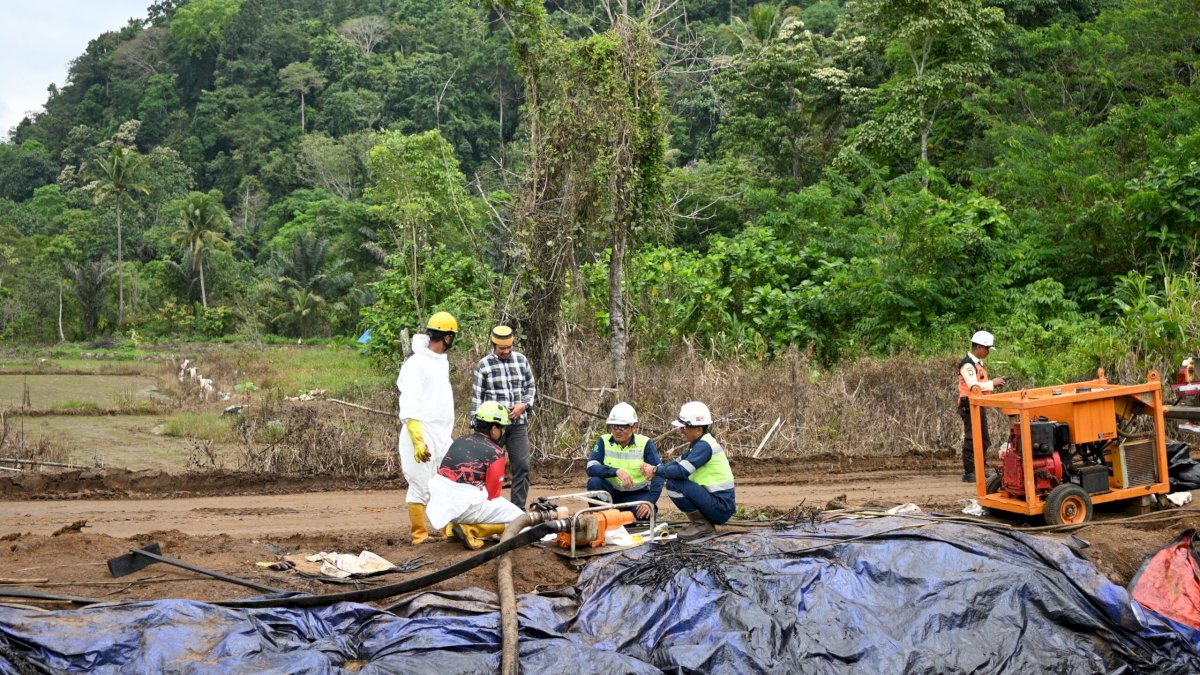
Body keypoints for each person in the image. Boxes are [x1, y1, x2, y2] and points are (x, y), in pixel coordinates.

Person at [427, 402, 526, 550]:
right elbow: (493, 495)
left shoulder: (458, 442)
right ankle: (472, 529)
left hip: (439, 505)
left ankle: (452, 528)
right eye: (501, 428)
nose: (502, 432)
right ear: (493, 429)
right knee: (520, 520)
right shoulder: (496, 452)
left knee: (475, 495)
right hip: (464, 508)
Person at [396, 311, 458, 545]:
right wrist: (417, 439)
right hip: (421, 433)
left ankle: (448, 531)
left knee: (448, 483)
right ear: (448, 337)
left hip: (442, 434)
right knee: (421, 484)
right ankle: (419, 534)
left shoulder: (441, 362)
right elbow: (410, 404)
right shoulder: (415, 363)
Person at [642, 401, 736, 541]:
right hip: (717, 504)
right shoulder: (697, 445)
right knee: (674, 480)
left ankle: (702, 525)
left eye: (685, 427)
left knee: (674, 484)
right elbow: (675, 464)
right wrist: (657, 469)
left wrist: (655, 470)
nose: (681, 430)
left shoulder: (704, 446)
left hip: (720, 507)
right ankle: (701, 523)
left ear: (698, 429)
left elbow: (681, 471)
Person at [472, 325, 537, 511]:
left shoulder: (521, 360)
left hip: (518, 424)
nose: (507, 351)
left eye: (509, 347)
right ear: (494, 345)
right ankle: (487, 508)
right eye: (502, 348)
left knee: (522, 466)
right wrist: (477, 427)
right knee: (488, 468)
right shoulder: (483, 365)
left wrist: (524, 405)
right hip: (493, 428)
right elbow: (477, 397)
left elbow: (530, 387)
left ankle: (517, 511)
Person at [585, 402, 663, 520]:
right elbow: (591, 467)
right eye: (614, 426)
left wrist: (650, 500)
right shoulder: (604, 441)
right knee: (594, 482)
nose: (617, 430)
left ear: (634, 427)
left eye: (623, 426)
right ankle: (601, 519)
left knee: (647, 516)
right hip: (610, 494)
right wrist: (616, 471)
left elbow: (659, 473)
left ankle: (624, 516)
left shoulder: (645, 443)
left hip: (637, 495)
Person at [957, 330, 1007, 483]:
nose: (987, 353)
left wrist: (992, 385)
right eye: (987, 349)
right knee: (972, 438)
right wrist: (993, 383)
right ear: (979, 347)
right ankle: (970, 472)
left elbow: (980, 385)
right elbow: (973, 385)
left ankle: (980, 469)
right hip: (969, 405)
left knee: (983, 439)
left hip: (977, 404)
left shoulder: (977, 365)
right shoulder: (968, 365)